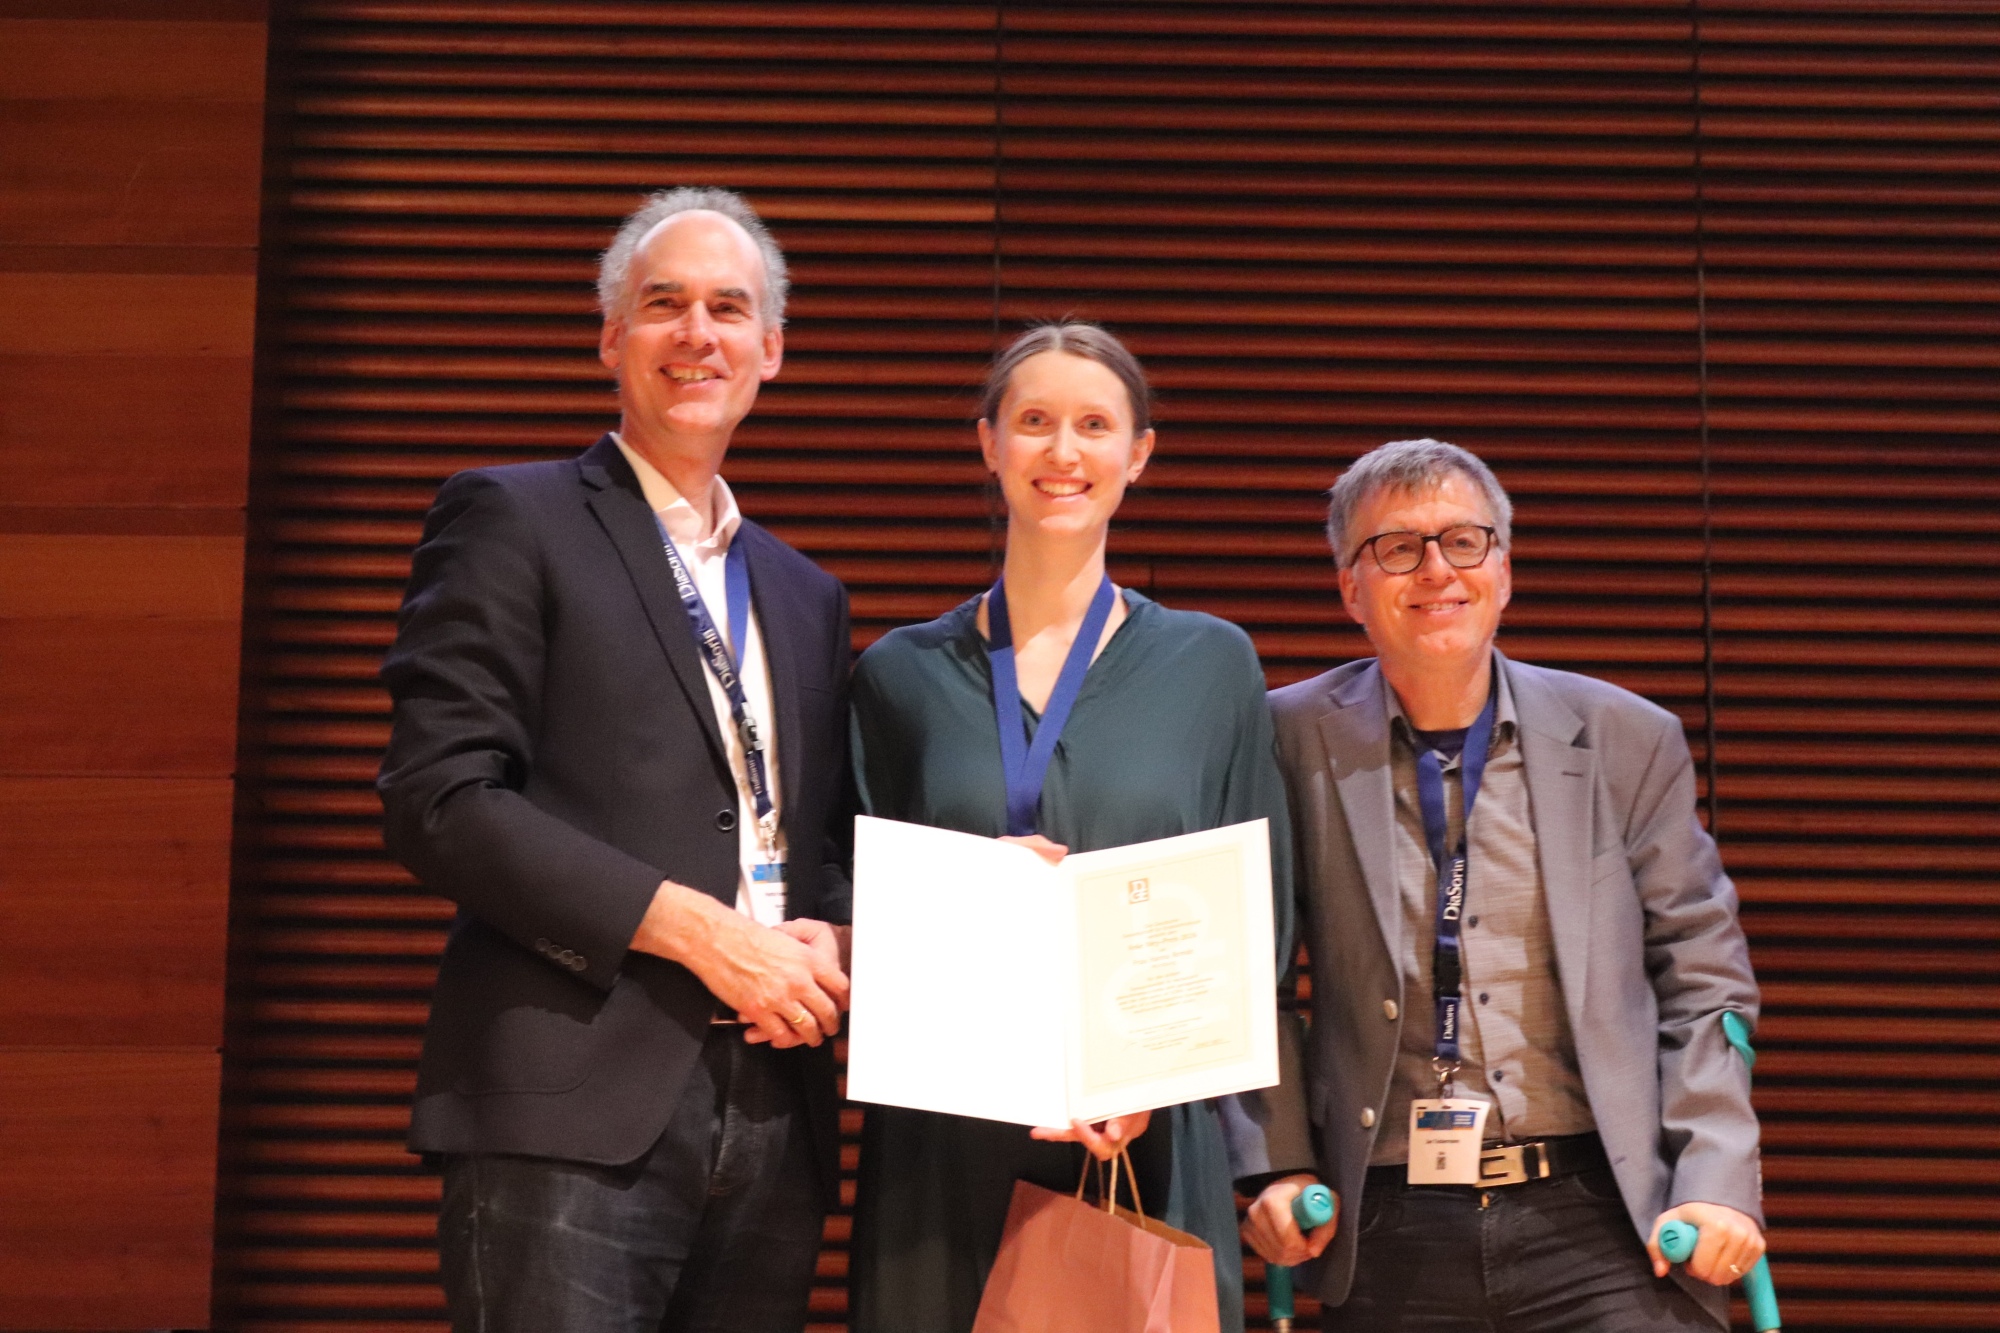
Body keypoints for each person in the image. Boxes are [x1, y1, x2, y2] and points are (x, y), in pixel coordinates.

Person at [377, 186, 853, 1333]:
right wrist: (695, 929)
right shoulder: (512, 516)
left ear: (769, 351)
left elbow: (815, 842)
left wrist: (833, 938)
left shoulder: (804, 593)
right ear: (611, 338)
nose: (698, 334)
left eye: (729, 309)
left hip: (774, 1118)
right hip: (570, 1109)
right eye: (663, 305)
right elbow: (439, 798)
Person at [1233, 439, 1765, 1331]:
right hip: (1384, 1218)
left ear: (1505, 571)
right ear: (1349, 589)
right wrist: (1275, 1164)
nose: (1435, 568)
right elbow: (1251, 975)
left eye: (1464, 541)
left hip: (1605, 1217)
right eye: (1395, 547)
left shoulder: (1625, 740)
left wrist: (1715, 1176)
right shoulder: (1284, 740)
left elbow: (1703, 978)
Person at [844, 322, 1294, 1333]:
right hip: (940, 1141)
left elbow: (1258, 921)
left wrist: (1145, 1080)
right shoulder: (896, 677)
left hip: (1141, 1140)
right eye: (1034, 422)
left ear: (1137, 455)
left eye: (1093, 425)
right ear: (988, 444)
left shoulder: (1210, 666)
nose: (1062, 452)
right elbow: (849, 905)